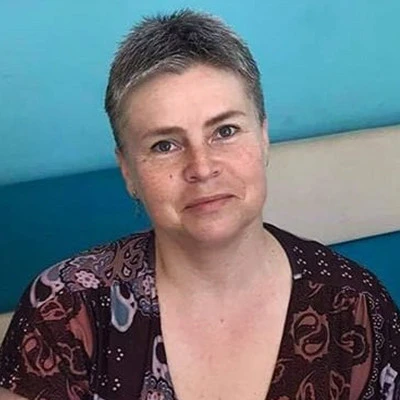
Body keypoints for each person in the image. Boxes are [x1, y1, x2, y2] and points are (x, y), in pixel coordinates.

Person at [0, 9, 399, 400]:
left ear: (263, 139)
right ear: (127, 171)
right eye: (164, 145)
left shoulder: (355, 305)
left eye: (225, 131)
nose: (202, 168)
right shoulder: (65, 308)